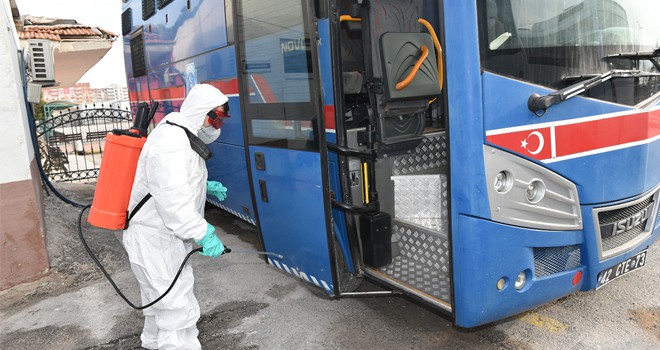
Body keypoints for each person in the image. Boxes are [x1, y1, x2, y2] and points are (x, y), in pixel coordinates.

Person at [122, 83, 230, 350]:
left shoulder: (181, 136)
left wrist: (203, 187)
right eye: (215, 117)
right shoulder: (171, 143)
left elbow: (175, 184)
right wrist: (203, 232)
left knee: (158, 303)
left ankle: (151, 344)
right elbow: (173, 201)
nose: (217, 125)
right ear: (201, 112)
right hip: (154, 238)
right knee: (176, 307)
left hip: (162, 236)